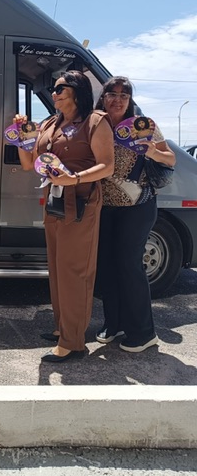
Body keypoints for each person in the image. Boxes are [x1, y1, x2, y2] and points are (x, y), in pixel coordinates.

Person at [15, 71, 114, 363]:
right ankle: (63, 329)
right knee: (58, 269)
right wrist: (21, 138)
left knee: (75, 271)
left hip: (81, 202)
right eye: (53, 88)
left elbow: (107, 165)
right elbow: (29, 164)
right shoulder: (50, 123)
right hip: (55, 201)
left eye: (60, 88)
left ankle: (73, 343)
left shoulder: (95, 121)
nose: (54, 93)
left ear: (77, 91)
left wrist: (75, 178)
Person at [94, 76, 176, 352]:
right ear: (103, 97)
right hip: (104, 206)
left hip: (138, 206)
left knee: (130, 266)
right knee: (107, 267)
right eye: (112, 94)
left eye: (124, 95)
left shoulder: (142, 126)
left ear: (130, 100)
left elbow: (170, 158)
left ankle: (143, 332)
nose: (118, 100)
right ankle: (113, 324)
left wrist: (152, 151)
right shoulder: (96, 124)